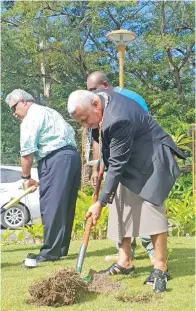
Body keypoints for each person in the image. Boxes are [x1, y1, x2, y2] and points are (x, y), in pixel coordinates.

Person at [67, 89, 185, 290]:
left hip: (152, 158)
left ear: (95, 104)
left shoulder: (118, 118)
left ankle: (160, 268)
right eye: (81, 123)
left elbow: (117, 164)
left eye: (86, 119)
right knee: (120, 203)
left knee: (151, 207)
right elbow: (108, 148)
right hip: (131, 157)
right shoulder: (100, 102)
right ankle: (124, 262)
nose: (86, 126)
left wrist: (100, 202)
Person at [86, 71, 155, 265]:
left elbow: (143, 128)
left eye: (93, 89)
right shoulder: (94, 105)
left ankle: (152, 250)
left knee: (144, 204)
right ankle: (125, 254)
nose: (90, 93)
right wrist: (97, 167)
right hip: (114, 162)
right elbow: (97, 139)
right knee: (119, 206)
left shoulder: (129, 98)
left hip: (136, 161)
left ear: (105, 85)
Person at [5, 89, 81, 264]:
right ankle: (59, 249)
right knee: (65, 205)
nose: (14, 114)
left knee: (51, 205)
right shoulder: (50, 111)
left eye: (14, 108)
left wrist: (26, 178)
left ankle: (49, 252)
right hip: (71, 156)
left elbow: (27, 152)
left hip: (54, 158)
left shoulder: (30, 118)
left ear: (23, 101)